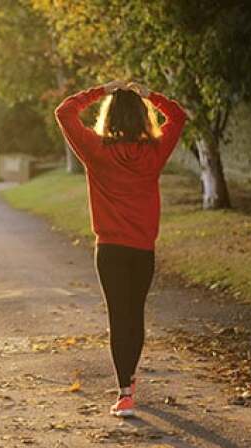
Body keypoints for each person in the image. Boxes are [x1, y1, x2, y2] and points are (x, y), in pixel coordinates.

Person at [54, 80, 188, 417]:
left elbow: (64, 112)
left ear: (109, 117)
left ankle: (125, 392)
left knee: (119, 317)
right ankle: (129, 380)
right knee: (135, 315)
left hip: (110, 251)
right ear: (142, 117)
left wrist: (101, 90)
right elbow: (178, 116)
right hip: (142, 250)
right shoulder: (154, 152)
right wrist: (150, 95)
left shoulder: (96, 151)